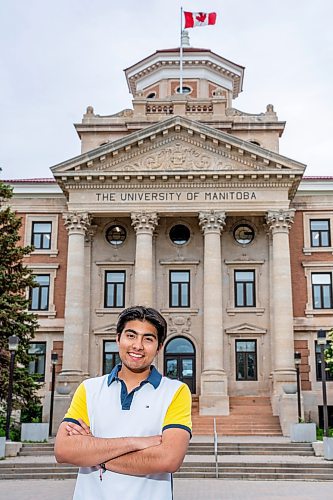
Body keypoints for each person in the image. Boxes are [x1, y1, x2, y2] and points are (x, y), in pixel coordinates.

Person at [54, 305, 192, 500]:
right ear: (118, 338)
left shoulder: (175, 392)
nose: (138, 345)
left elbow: (169, 459)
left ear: (159, 347)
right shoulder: (89, 389)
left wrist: (94, 454)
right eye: (131, 335)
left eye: (148, 339)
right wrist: (135, 442)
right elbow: (63, 450)